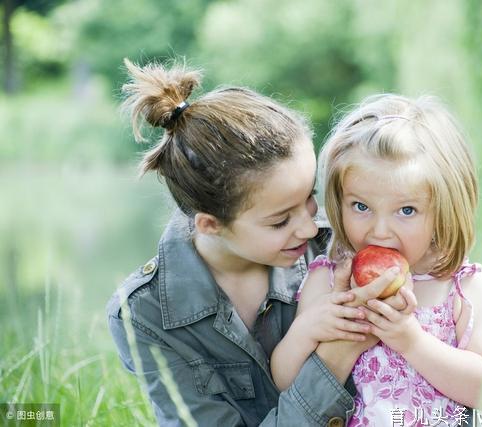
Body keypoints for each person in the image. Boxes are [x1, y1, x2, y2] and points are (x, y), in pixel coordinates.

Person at [106, 59, 405, 426]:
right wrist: (338, 353)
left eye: (309, 197)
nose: (310, 229)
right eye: (280, 220)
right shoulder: (146, 314)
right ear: (211, 224)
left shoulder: (342, 246)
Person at [270, 94, 482, 426]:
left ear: (443, 213)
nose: (380, 232)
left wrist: (410, 340)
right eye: (360, 206)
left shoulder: (464, 287)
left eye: (407, 211)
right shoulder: (327, 281)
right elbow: (285, 381)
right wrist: (311, 327)